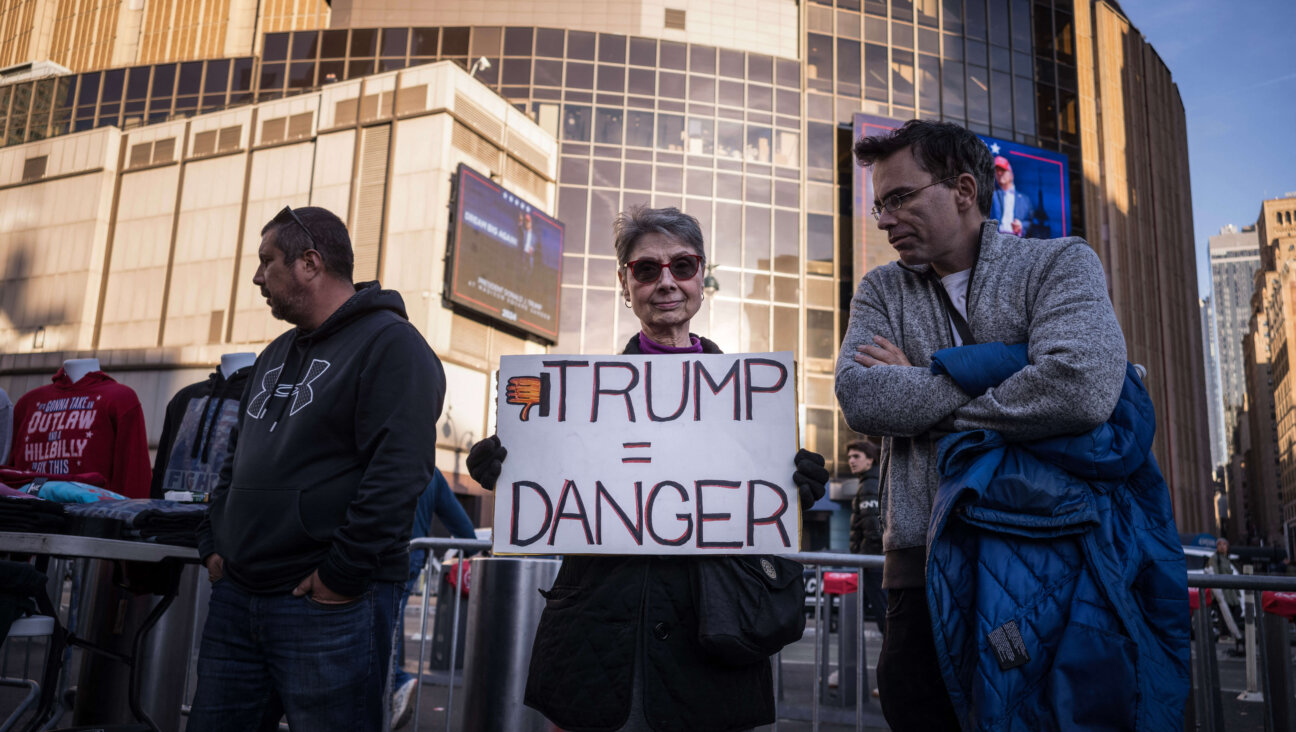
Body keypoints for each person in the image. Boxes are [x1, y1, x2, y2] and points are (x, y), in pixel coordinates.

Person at [466, 205, 829, 732]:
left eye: (682, 266)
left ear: (702, 276)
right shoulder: (573, 401)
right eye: (646, 269)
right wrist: (511, 466)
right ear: (624, 282)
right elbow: (556, 498)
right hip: (603, 645)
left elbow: (754, 512)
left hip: (710, 644)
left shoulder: (754, 402)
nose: (666, 282)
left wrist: (793, 485)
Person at [835, 120, 1129, 730]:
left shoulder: (1059, 261)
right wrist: (1010, 367)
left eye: (899, 198)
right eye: (878, 204)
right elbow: (861, 396)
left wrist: (919, 383)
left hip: (1051, 552)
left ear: (964, 189)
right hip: (918, 566)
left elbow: (1081, 386)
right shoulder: (880, 288)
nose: (883, 220)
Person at [190, 205, 445, 731]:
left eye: (267, 261)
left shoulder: (392, 344)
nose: (258, 276)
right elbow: (235, 459)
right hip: (238, 596)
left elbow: (398, 473)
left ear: (310, 263)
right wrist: (213, 542)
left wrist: (341, 576)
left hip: (327, 606)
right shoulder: (274, 352)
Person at [391, 467, 478, 729]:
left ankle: (396, 682)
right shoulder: (432, 473)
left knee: (374, 631)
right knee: (387, 628)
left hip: (379, 556)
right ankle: (392, 687)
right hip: (411, 558)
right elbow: (464, 529)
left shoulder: (382, 454)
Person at [846, 440, 885, 636]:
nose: (851, 461)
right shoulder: (870, 482)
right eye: (849, 457)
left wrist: (863, 559)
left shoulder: (870, 484)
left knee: (884, 617)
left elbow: (874, 530)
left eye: (856, 456)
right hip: (872, 562)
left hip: (872, 563)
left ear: (870, 460)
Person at [988, 155, 1033, 237]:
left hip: (1016, 240)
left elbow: (1031, 222)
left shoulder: (1025, 200)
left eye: (1002, 170)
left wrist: (1021, 226)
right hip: (996, 238)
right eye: (997, 171)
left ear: (1011, 174)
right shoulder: (992, 195)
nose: (999, 173)